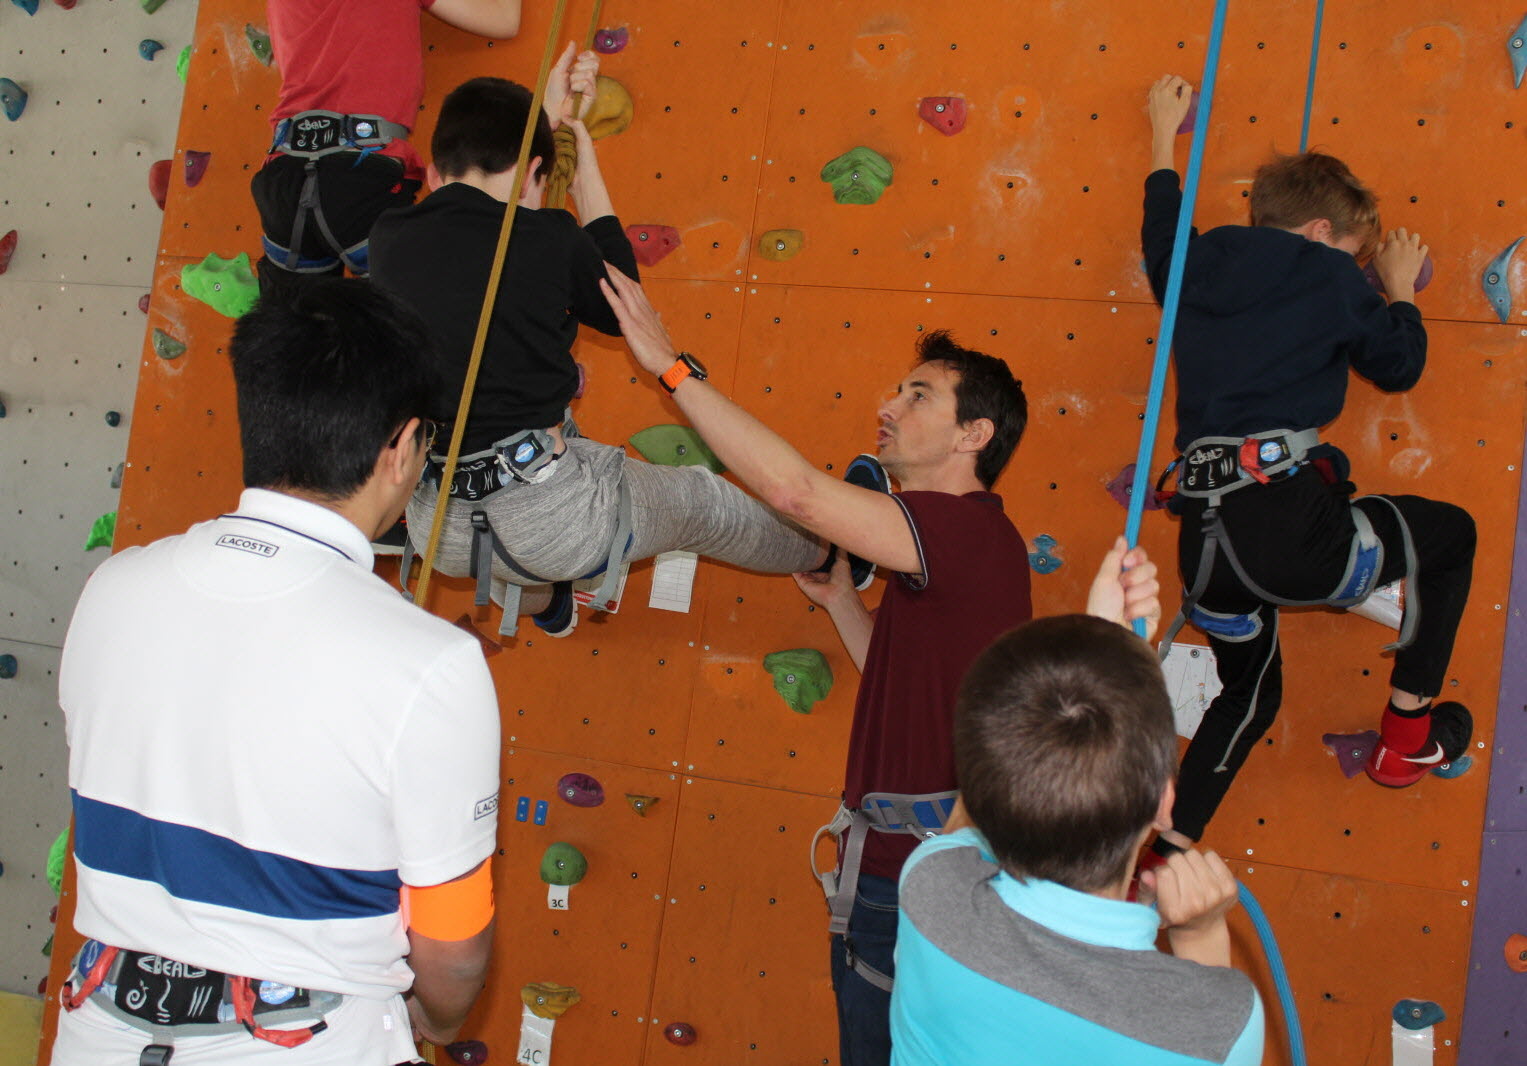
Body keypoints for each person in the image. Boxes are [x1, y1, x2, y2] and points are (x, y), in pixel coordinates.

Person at [602, 266, 1159, 1066]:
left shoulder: (959, 531)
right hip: (908, 869)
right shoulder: (950, 547)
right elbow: (908, 683)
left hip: (915, 878)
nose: (887, 408)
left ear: (975, 436)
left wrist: (671, 367)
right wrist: (840, 605)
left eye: (919, 396)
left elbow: (794, 493)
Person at [51, 281, 501, 1065]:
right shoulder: (432, 663)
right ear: (399, 449)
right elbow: (453, 940)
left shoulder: (112, 588)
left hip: (98, 1029)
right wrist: (443, 1018)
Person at [1142, 75, 1477, 861]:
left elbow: (1161, 230)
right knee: (1450, 535)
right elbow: (1395, 365)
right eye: (1354, 256)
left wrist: (1163, 133)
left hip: (1205, 549)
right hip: (1293, 538)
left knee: (1247, 697)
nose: (1355, 269)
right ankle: (1405, 735)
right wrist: (1395, 291)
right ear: (1321, 230)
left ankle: (1163, 859)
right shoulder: (1325, 274)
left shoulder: (1195, 264)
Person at [369, 73, 825, 638]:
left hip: (440, 527)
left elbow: (470, 247)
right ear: (539, 172)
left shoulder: (388, 237)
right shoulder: (551, 239)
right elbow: (623, 309)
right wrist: (586, 178)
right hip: (554, 521)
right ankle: (829, 556)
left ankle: (550, 607)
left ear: (438, 171)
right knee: (706, 506)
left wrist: (542, 131)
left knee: (547, 442)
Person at [891, 613, 1264, 1066]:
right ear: (1166, 804)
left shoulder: (933, 891)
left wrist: (1085, 662)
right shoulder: (1222, 1025)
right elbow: (1201, 1023)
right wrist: (1199, 934)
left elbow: (981, 790)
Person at [250, 0, 523, 301]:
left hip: (285, 177)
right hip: (361, 178)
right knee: (413, 333)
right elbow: (505, 19)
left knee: (298, 341)